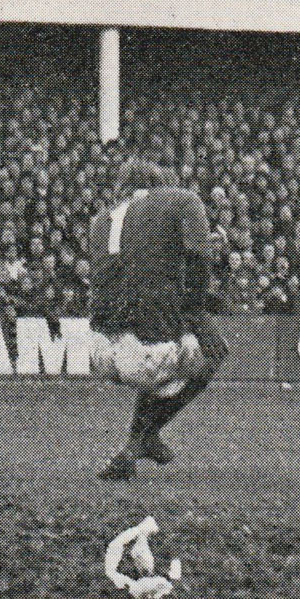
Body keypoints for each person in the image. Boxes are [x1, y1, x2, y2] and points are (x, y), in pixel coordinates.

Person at [92, 158, 228, 481]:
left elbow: (138, 257)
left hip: (101, 350)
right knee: (213, 350)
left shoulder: (102, 219)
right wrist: (195, 308)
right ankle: (141, 439)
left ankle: (134, 446)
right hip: (147, 351)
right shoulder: (181, 199)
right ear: (159, 183)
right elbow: (198, 258)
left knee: (166, 344)